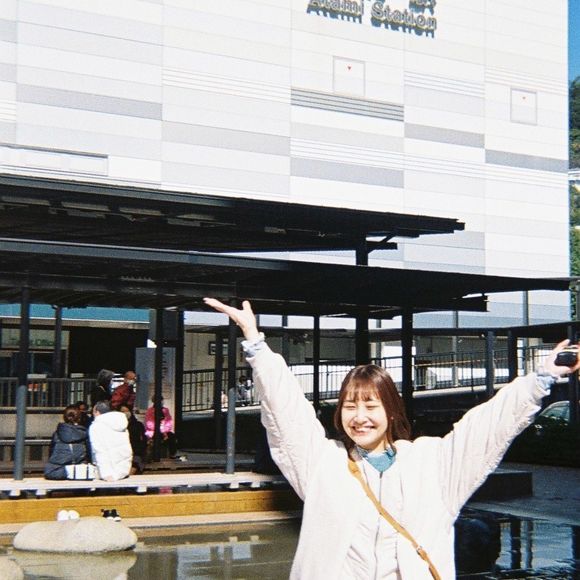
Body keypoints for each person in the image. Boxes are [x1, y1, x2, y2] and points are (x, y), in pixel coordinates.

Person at [204, 297, 580, 580]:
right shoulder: (323, 464)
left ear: (392, 412)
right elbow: (287, 414)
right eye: (350, 406)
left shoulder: (433, 465)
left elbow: (487, 428)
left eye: (371, 405)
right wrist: (256, 345)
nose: (360, 417)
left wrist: (541, 378)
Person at [89, 400, 132, 481]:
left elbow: (99, 450)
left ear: (97, 412)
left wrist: (106, 474)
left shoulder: (96, 426)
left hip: (108, 472)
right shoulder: (121, 422)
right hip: (123, 469)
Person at [44, 405, 91, 480]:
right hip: (79, 471)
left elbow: (52, 451)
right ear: (79, 418)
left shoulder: (57, 434)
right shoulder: (84, 433)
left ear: (64, 417)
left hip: (57, 470)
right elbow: (89, 453)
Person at [119, 404, 147, 475]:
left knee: (134, 465)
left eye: (127, 411)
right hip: (121, 454)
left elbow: (143, 441)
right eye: (122, 411)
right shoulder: (116, 426)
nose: (125, 413)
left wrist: (137, 451)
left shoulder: (138, 425)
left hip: (136, 453)